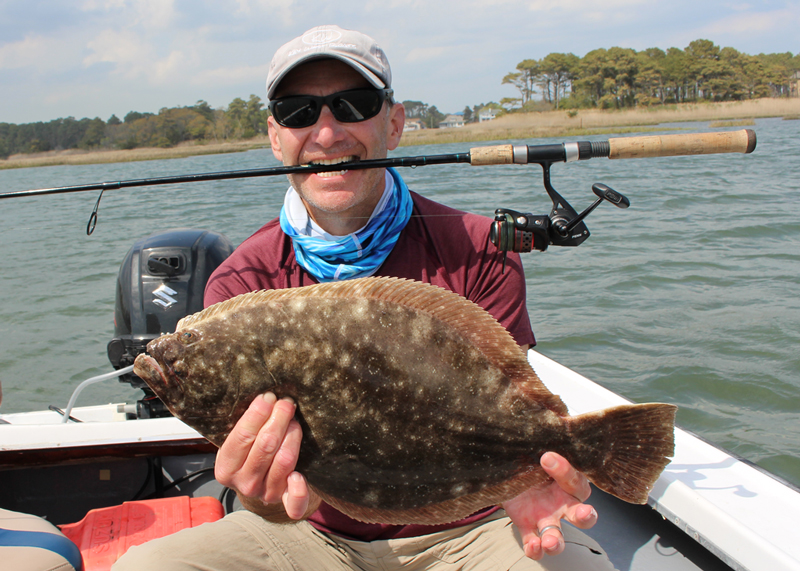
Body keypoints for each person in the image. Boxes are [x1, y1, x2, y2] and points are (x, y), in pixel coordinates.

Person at [114, 25, 614, 571]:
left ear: (394, 124)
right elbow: (274, 503)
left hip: (471, 528)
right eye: (299, 112)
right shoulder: (240, 281)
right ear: (275, 137)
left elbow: (510, 403)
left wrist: (528, 477)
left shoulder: (478, 250)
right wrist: (264, 495)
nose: (326, 134)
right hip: (311, 535)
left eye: (353, 105)